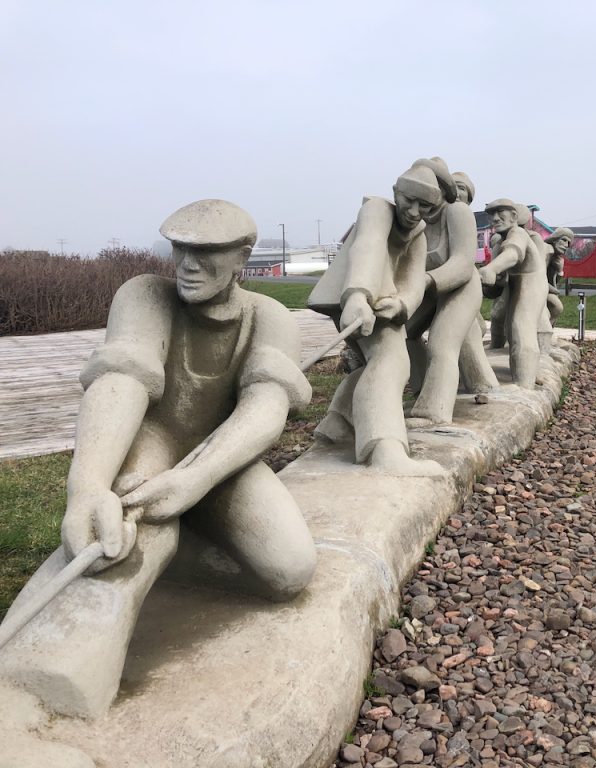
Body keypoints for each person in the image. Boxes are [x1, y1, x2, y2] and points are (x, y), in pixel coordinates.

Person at [1, 199, 317, 718]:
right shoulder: (145, 294)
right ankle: (58, 669)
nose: (189, 265)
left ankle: (186, 536)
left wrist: (196, 479)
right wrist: (88, 486)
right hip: (156, 439)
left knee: (289, 570)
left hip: (223, 458)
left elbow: (266, 407)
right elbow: (123, 377)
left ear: (242, 257)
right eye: (182, 249)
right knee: (119, 535)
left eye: (208, 253)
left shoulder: (270, 317)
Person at [307, 160, 445, 474]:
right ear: (397, 193)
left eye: (423, 206)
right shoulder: (377, 210)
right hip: (354, 298)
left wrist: (402, 305)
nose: (413, 212)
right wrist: (358, 294)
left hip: (382, 305)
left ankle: (337, 423)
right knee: (392, 361)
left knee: (376, 366)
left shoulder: (418, 236)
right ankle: (384, 450)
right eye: (409, 201)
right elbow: (366, 247)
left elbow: (412, 279)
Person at [405, 164, 497, 423]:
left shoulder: (457, 212)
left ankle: (434, 411)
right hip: (428, 289)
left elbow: (463, 263)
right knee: (403, 333)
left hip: (461, 287)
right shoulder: (417, 220)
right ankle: (422, 389)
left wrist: (426, 280)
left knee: (442, 342)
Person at [477, 199, 549, 388]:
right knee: (509, 326)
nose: (495, 218)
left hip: (531, 282)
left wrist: (492, 268)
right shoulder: (500, 240)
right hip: (516, 283)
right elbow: (499, 278)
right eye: (491, 214)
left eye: (500, 212)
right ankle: (528, 373)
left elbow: (513, 254)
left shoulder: (518, 233)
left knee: (521, 326)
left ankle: (524, 385)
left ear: (514, 216)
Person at [544, 227, 574, 324]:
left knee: (555, 309)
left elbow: (553, 281)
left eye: (568, 243)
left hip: (546, 289)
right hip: (537, 288)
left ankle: (547, 330)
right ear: (555, 239)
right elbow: (539, 276)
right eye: (564, 240)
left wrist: (560, 271)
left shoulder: (556, 258)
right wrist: (555, 291)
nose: (566, 245)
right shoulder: (547, 251)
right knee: (557, 307)